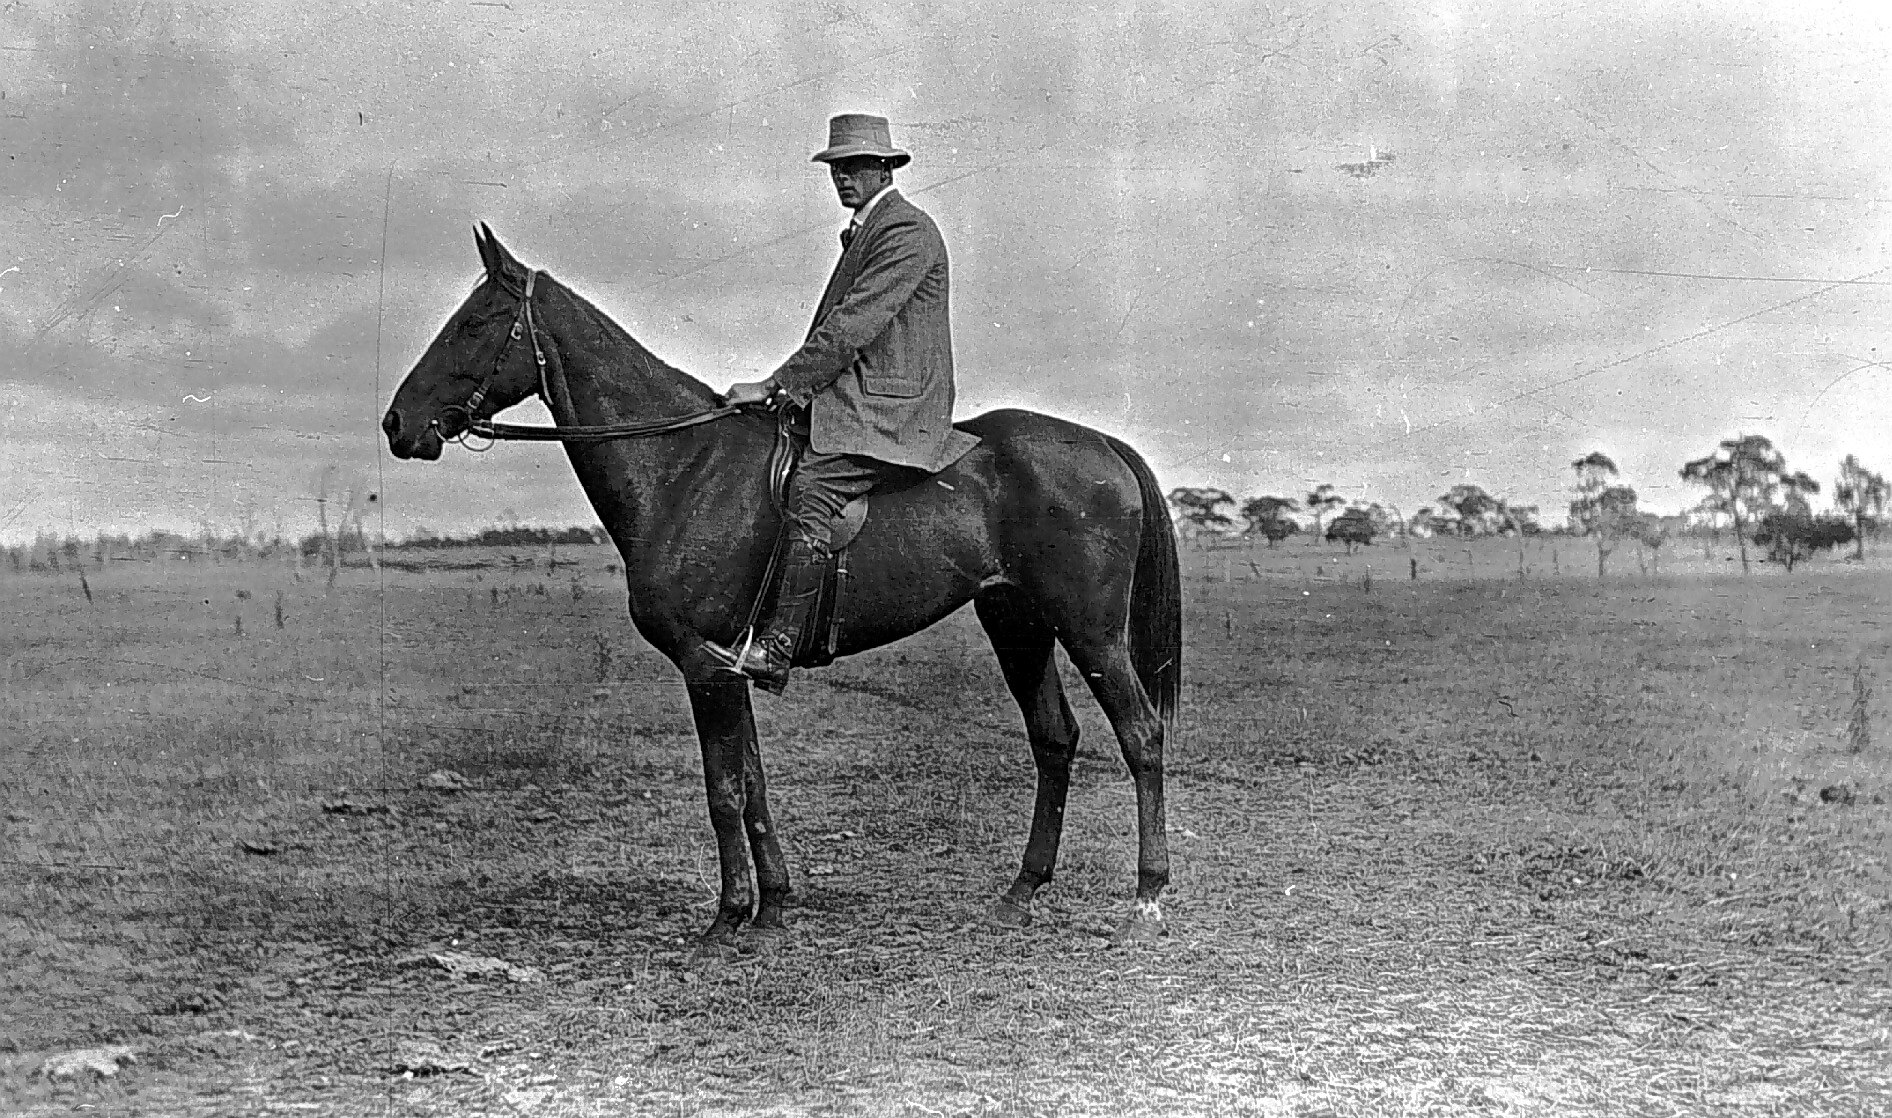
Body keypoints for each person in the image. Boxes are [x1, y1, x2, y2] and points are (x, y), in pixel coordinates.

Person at [705, 113, 979, 692]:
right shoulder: (868, 230)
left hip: (892, 409)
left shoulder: (906, 231)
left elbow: (852, 326)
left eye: (855, 166)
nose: (843, 177)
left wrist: (777, 385)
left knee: (812, 489)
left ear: (885, 169)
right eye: (836, 167)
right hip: (857, 399)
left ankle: (778, 647)